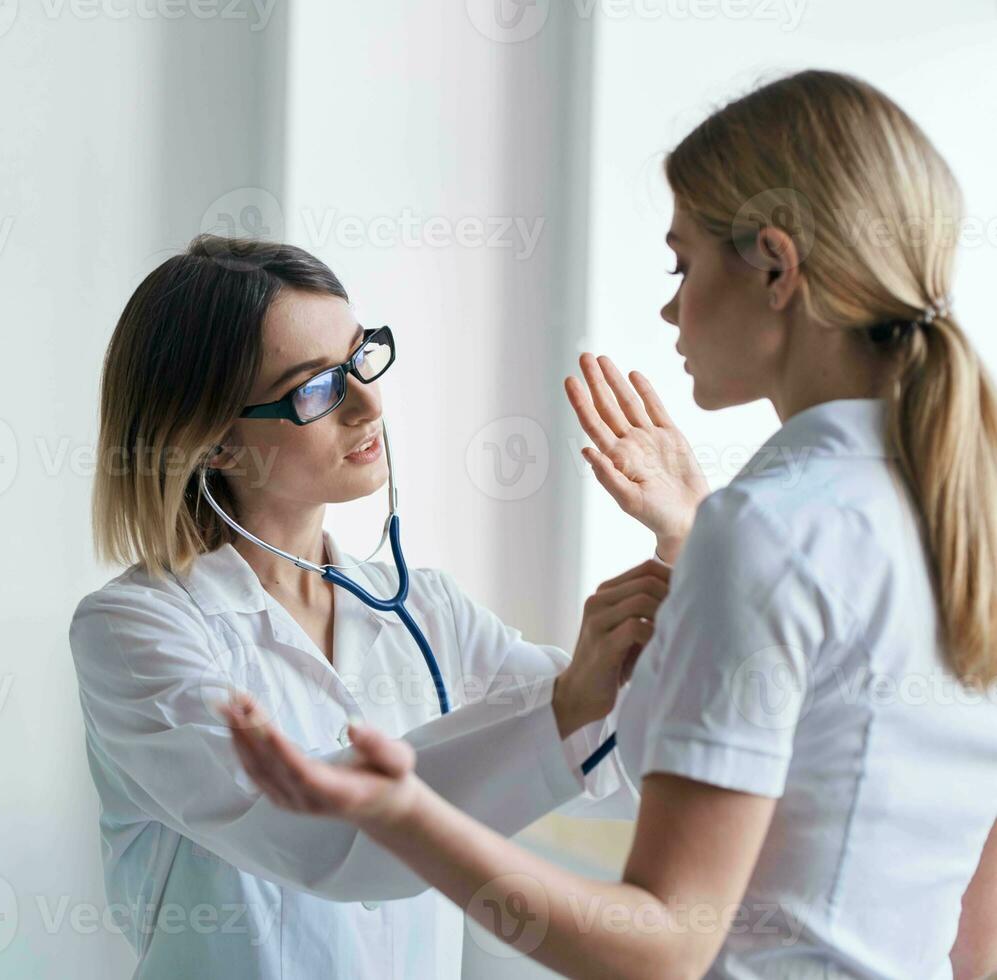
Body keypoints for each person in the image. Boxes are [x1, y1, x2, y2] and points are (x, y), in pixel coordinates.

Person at [219, 69, 997, 979]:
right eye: (316, 385)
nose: (670, 306)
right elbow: (974, 945)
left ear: (777, 269)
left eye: (683, 263)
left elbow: (662, 943)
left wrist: (403, 814)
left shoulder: (765, 530)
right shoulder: (961, 511)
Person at [69, 235, 658, 978]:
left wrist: (689, 544)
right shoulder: (134, 631)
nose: (368, 403)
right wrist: (566, 705)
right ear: (215, 442)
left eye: (360, 358)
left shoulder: (426, 608)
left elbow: (629, 765)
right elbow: (318, 841)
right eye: (316, 387)